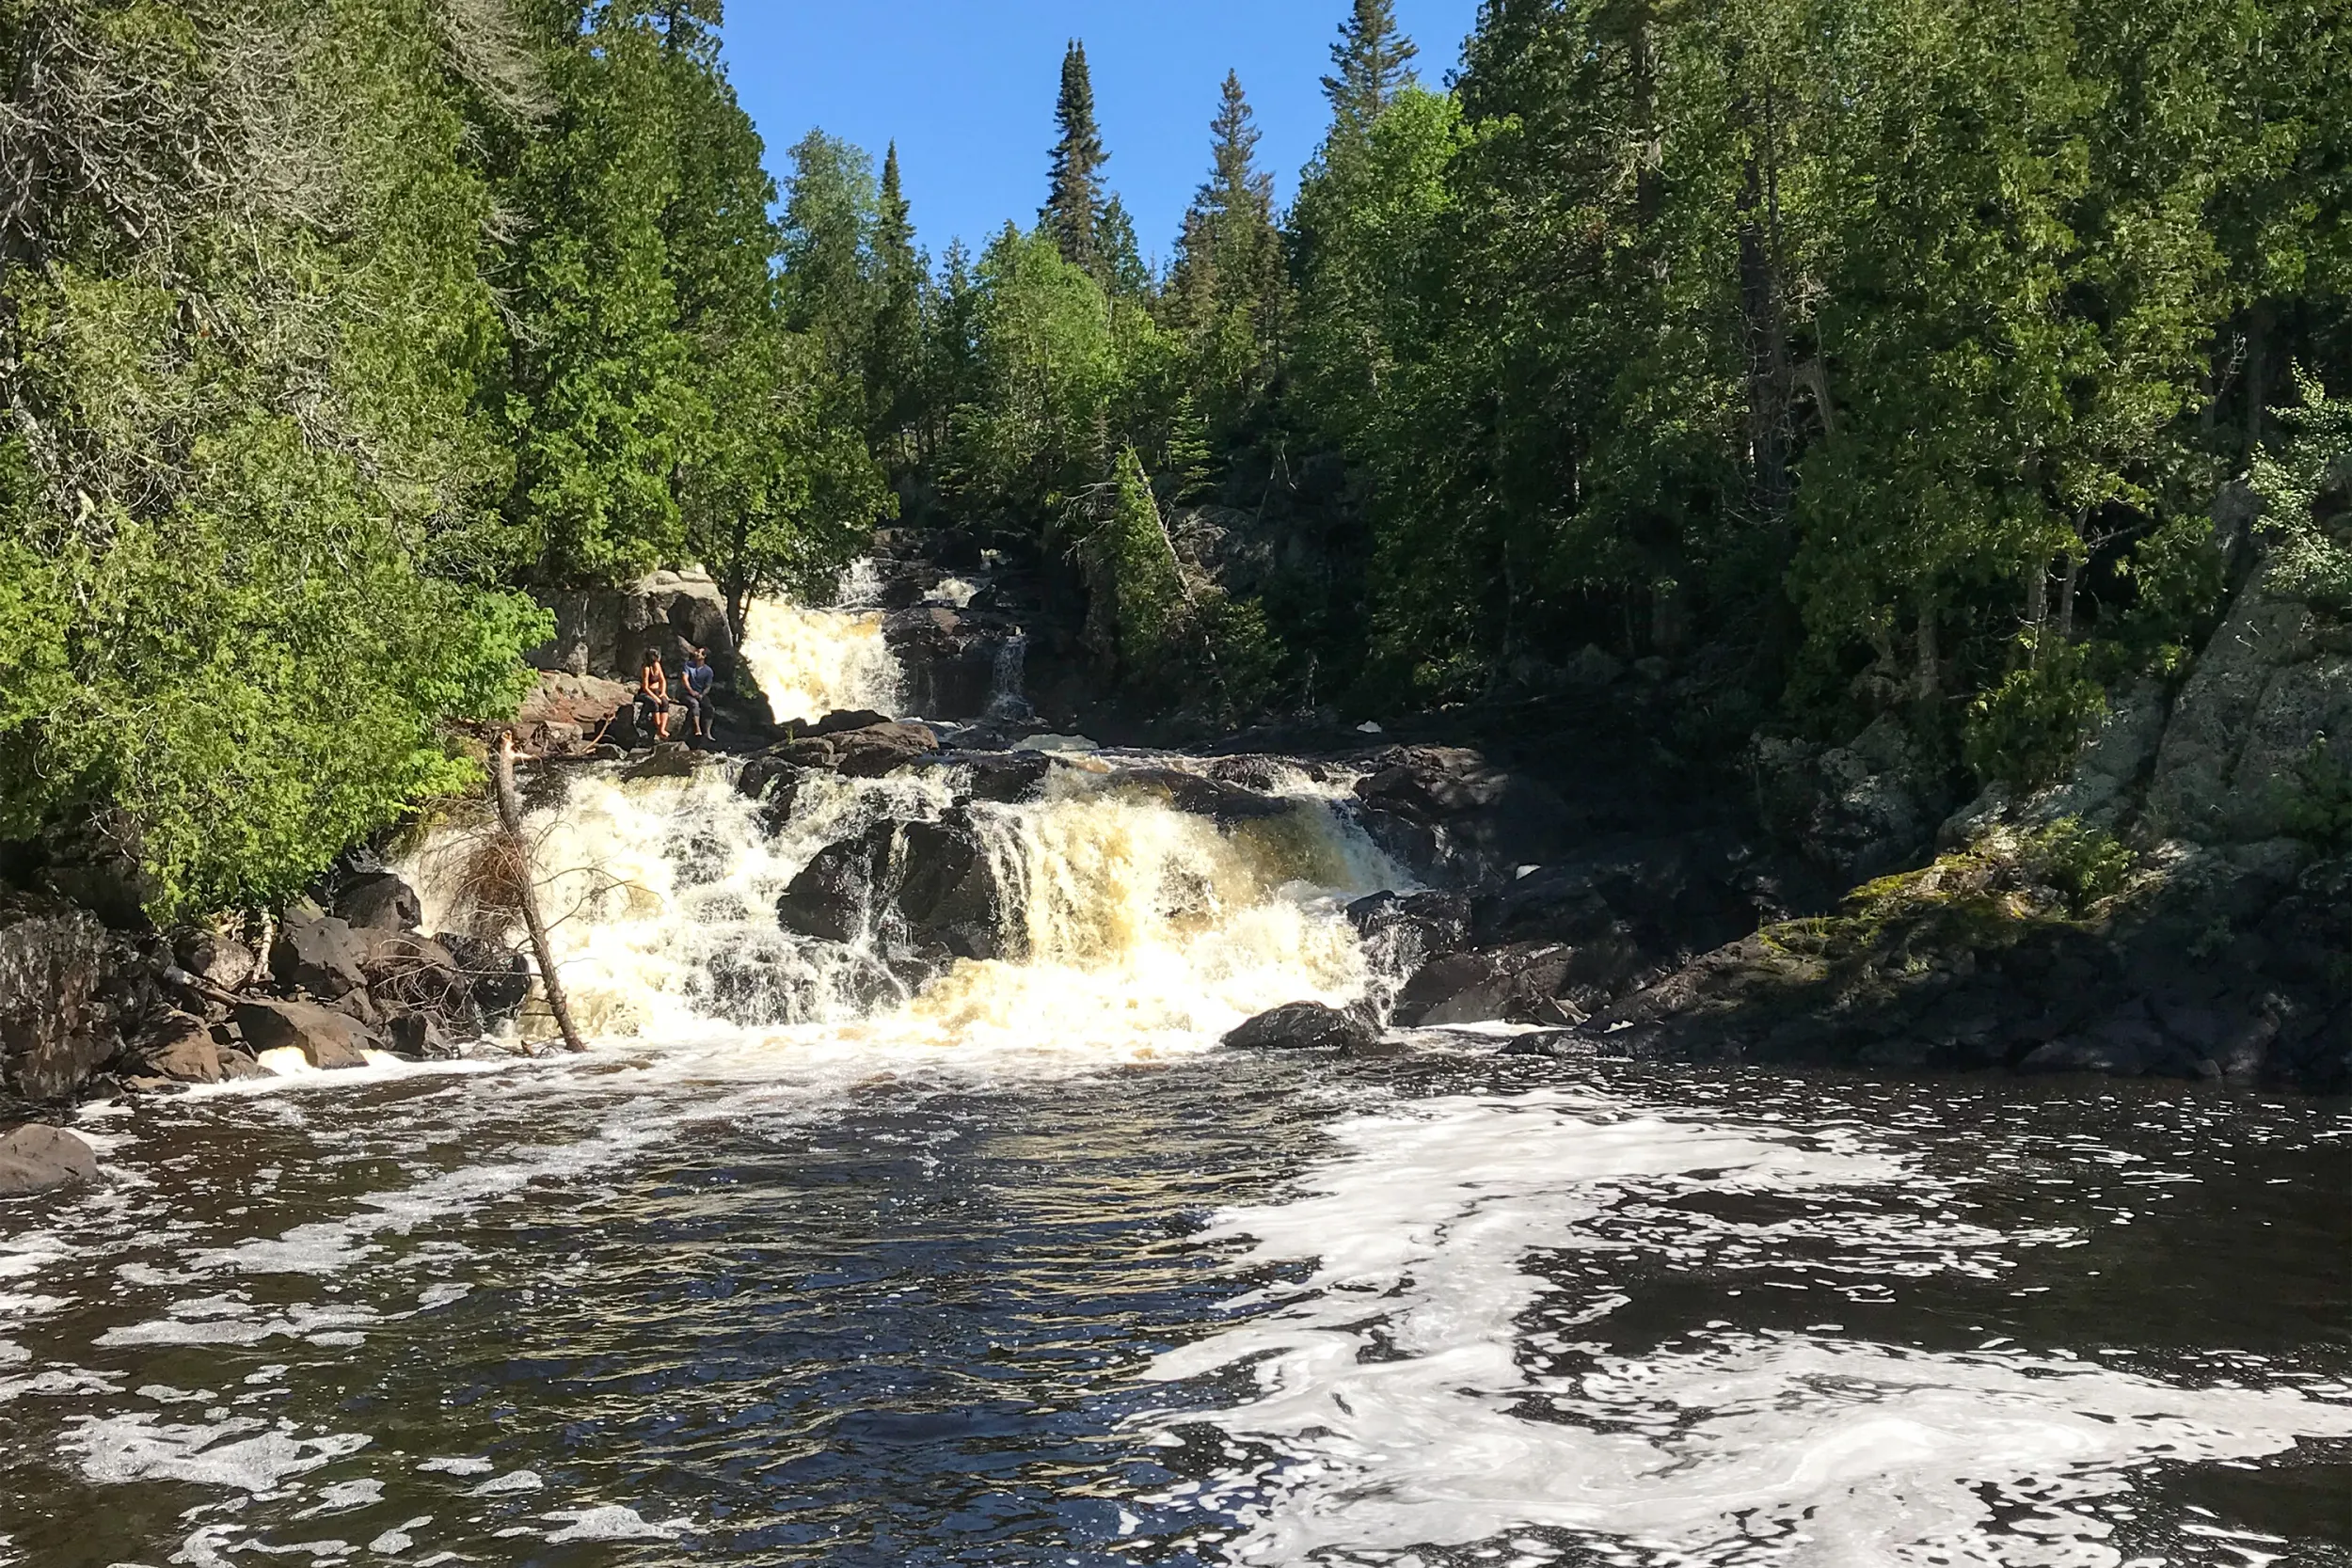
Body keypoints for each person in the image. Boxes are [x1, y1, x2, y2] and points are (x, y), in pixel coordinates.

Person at [678, 646, 716, 740]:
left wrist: (702, 695)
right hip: (686, 693)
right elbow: (685, 680)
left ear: (704, 656)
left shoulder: (708, 671)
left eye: (699, 652)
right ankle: (697, 729)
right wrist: (691, 691)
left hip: (699, 694)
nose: (696, 653)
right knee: (695, 704)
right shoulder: (688, 665)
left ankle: (708, 732)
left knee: (710, 708)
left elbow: (708, 686)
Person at [635, 645, 671, 742]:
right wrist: (655, 697)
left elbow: (663, 680)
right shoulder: (646, 669)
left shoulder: (658, 666)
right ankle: (658, 727)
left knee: (665, 703)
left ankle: (662, 728)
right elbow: (645, 687)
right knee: (654, 703)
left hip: (657, 690)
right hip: (646, 693)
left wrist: (663, 692)